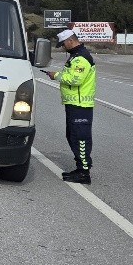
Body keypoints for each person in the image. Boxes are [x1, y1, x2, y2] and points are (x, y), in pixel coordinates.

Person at [47, 28, 96, 184]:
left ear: (70, 40)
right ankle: (80, 168)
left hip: (81, 104)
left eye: (63, 44)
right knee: (73, 136)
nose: (63, 47)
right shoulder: (76, 56)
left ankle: (84, 172)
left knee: (80, 138)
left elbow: (75, 80)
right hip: (74, 103)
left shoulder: (81, 58)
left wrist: (56, 75)